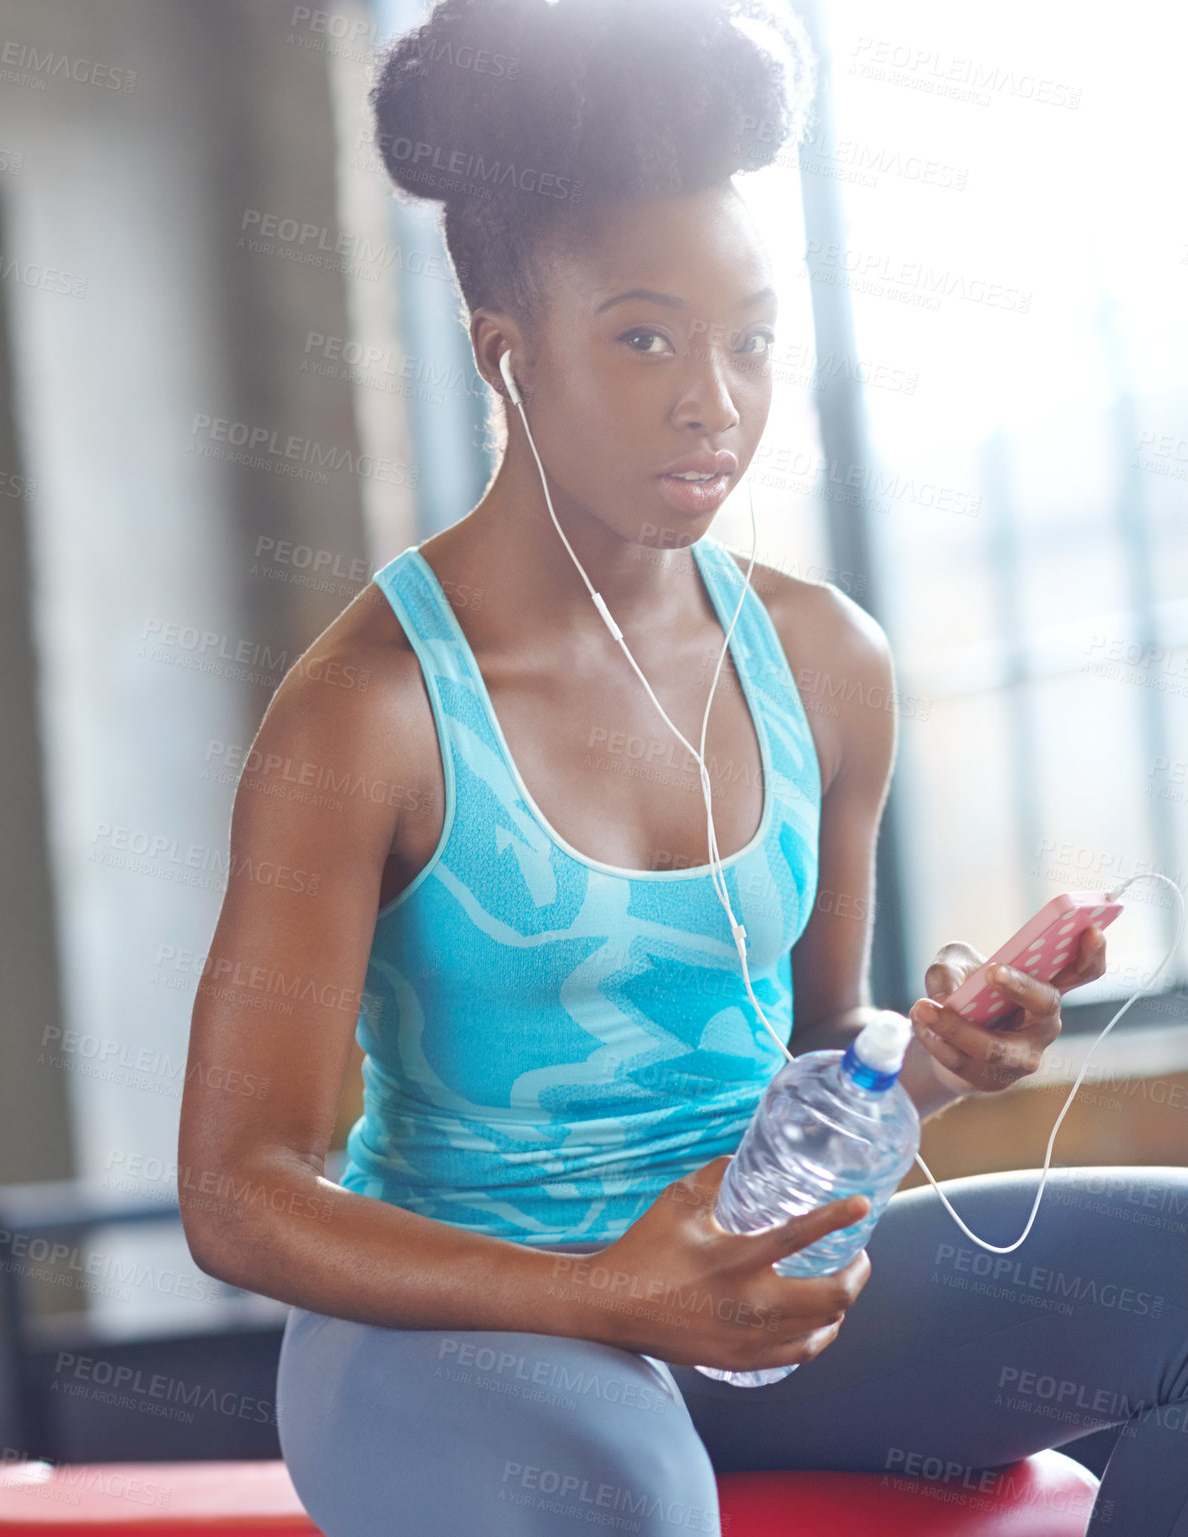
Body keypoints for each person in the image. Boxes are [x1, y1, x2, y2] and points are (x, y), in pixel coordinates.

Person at [176, 0, 1188, 1531]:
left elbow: (814, 1040)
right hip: (467, 1333)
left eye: (751, 338)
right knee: (622, 1497)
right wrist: (605, 1291)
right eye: (646, 336)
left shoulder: (826, 663)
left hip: (748, 1293)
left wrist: (929, 1055)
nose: (716, 397)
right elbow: (239, 1191)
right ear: (505, 353)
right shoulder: (370, 713)